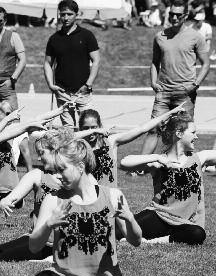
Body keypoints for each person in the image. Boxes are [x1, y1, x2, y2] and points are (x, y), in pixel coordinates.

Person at [0, 139, 142, 276]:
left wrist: (130, 219)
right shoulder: (53, 199)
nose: (57, 176)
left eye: (62, 170)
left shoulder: (112, 195)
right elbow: (34, 246)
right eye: (56, 170)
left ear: (80, 167)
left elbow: (136, 240)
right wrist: (48, 225)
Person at [0, 128, 74, 262]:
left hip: (71, 243)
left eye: (41, 153)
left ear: (56, 150)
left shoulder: (76, 176)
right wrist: (4, 202)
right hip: (41, 242)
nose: (39, 158)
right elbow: (14, 195)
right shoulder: (37, 175)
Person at [121, 111, 216, 245]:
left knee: (197, 234)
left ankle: (149, 242)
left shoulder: (200, 159)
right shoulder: (159, 162)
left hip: (185, 223)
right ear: (179, 133)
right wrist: (157, 158)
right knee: (117, 230)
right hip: (159, 216)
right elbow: (124, 162)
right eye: (193, 132)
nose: (197, 136)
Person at [140, 0, 210, 156]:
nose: (174, 17)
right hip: (163, 92)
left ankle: (186, 167)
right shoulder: (160, 36)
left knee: (185, 132)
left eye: (178, 14)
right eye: (171, 14)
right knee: (153, 129)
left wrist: (195, 84)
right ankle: (139, 167)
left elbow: (206, 64)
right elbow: (154, 62)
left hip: (185, 93)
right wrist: (153, 82)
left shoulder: (196, 37)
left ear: (185, 15)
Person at [76, 104, 186, 186]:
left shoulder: (111, 141)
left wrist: (169, 113)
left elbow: (142, 128)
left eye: (94, 127)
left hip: (109, 199)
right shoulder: (77, 147)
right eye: (86, 128)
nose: (91, 131)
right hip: (88, 198)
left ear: (100, 125)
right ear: (80, 129)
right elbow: (67, 136)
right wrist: (91, 131)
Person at [44, 0, 100, 127]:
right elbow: (47, 63)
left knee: (88, 128)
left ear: (77, 14)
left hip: (83, 92)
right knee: (68, 131)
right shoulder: (54, 39)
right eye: (62, 14)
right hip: (62, 92)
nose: (65, 18)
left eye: (69, 14)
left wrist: (88, 84)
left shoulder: (87, 35)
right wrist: (51, 85)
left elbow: (96, 61)